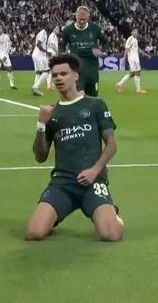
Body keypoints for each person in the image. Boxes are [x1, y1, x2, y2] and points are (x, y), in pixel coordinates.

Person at [25, 53, 124, 242]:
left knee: (111, 234)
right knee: (34, 233)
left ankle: (112, 213)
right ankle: (53, 216)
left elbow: (111, 145)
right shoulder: (52, 113)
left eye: (64, 73)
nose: (58, 78)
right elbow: (40, 156)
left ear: (75, 76)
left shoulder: (95, 104)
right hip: (62, 184)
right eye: (55, 75)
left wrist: (95, 171)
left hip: (93, 182)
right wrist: (41, 125)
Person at [59, 6, 108, 97]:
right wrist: (62, 54)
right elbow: (61, 44)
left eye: (84, 20)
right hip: (76, 68)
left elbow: (105, 41)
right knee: (78, 96)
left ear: (88, 17)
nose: (82, 21)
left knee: (93, 97)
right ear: (76, 16)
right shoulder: (68, 30)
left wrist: (103, 52)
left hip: (92, 68)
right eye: (80, 19)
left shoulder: (94, 29)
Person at [116, 28, 149, 94]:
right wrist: (124, 58)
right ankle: (138, 89)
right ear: (131, 32)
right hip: (132, 59)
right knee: (137, 72)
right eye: (134, 31)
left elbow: (137, 49)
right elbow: (126, 49)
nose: (136, 32)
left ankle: (119, 84)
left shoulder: (135, 40)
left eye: (136, 31)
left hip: (135, 58)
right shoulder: (130, 39)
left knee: (132, 74)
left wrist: (145, 54)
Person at [0, 26, 17, 91]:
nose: (0, 29)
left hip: (5, 55)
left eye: (1, 28)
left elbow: (8, 46)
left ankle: (12, 85)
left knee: (9, 69)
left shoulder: (6, 36)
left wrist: (5, 56)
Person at [31, 24, 51, 96]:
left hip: (36, 54)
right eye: (50, 25)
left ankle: (35, 90)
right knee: (47, 71)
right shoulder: (43, 33)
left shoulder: (42, 32)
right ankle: (35, 87)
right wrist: (47, 52)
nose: (51, 27)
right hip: (39, 55)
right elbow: (38, 44)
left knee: (39, 72)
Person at [46, 25, 60, 91]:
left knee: (52, 70)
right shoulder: (52, 35)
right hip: (51, 53)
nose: (58, 30)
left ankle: (51, 84)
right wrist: (57, 52)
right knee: (51, 70)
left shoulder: (53, 36)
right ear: (54, 29)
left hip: (51, 53)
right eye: (57, 28)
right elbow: (52, 44)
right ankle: (49, 84)